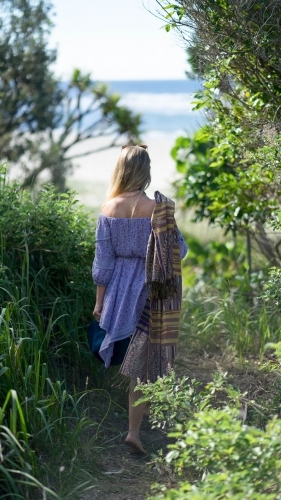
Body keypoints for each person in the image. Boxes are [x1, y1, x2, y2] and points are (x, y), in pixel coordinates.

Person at [92, 145, 188, 454]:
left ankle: (137, 419)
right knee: (143, 364)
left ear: (120, 169)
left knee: (134, 360)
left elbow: (103, 263)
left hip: (119, 291)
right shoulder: (157, 209)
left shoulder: (108, 209)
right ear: (146, 171)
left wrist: (99, 302)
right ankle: (134, 430)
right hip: (151, 291)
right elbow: (180, 251)